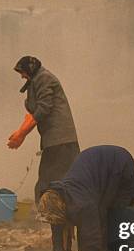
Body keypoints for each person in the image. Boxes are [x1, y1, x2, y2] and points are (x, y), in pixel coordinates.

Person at [38, 145, 134, 251]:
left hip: (118, 165)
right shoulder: (55, 202)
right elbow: (59, 239)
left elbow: (92, 238)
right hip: (95, 168)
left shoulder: (81, 204)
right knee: (94, 222)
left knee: (116, 218)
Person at [7, 56, 80, 202]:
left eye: (22, 72)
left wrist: (21, 134)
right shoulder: (35, 81)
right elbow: (32, 115)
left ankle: (52, 214)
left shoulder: (43, 78)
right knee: (57, 182)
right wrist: (19, 134)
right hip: (56, 142)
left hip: (61, 141)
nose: (22, 76)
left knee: (48, 184)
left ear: (31, 69)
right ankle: (61, 216)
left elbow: (43, 109)